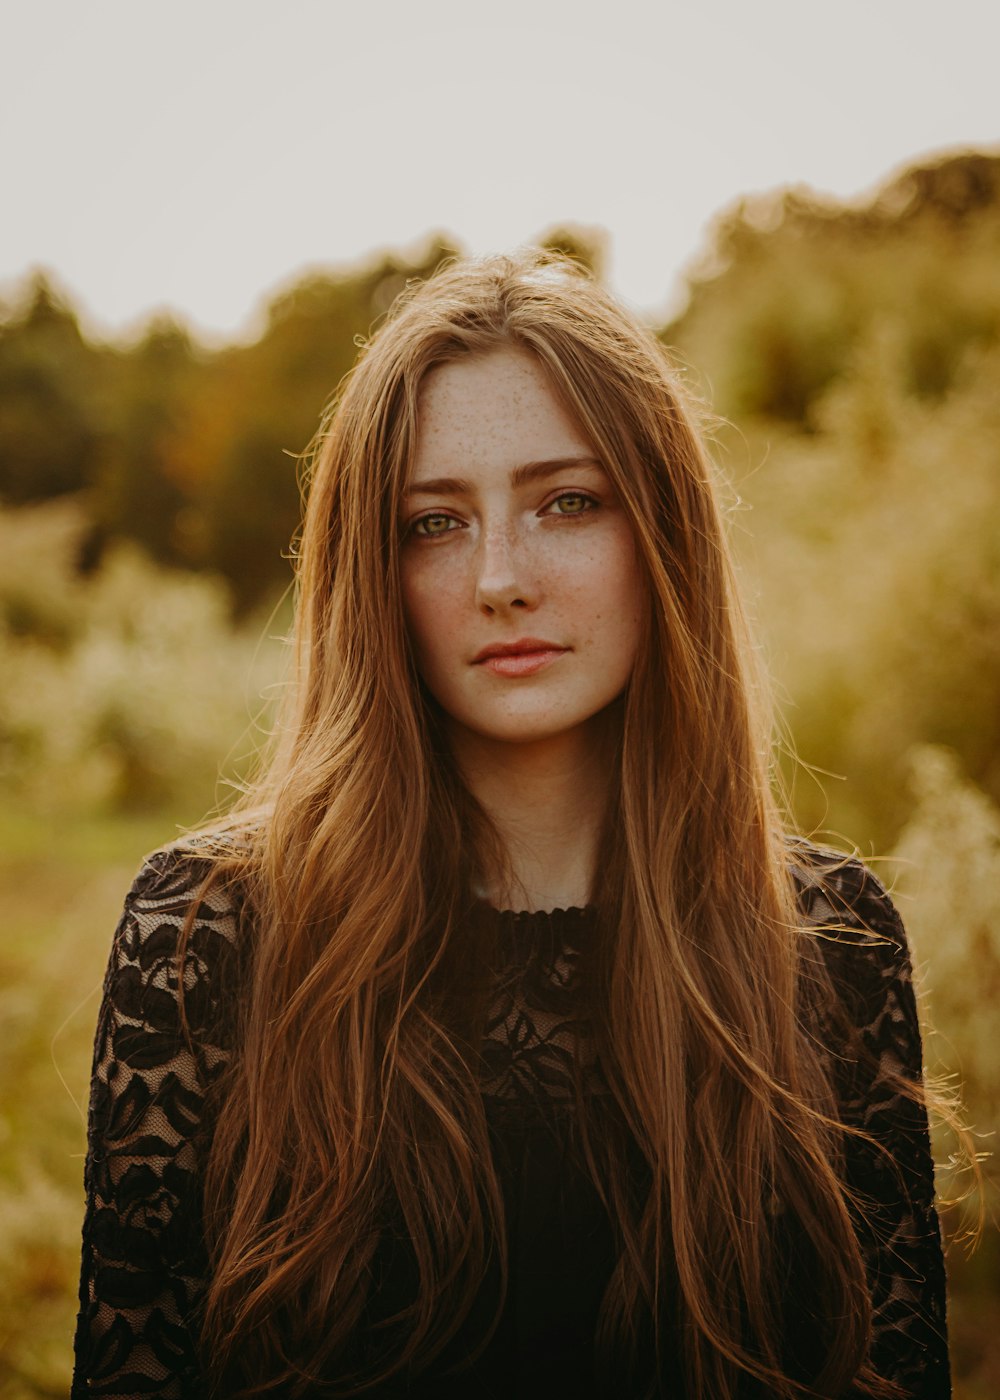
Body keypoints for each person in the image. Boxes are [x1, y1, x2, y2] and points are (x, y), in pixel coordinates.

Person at [72, 251, 950, 1399]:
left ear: (664, 533)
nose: (500, 577)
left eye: (567, 502)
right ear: (369, 571)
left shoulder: (830, 941)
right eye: (432, 523)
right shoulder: (203, 935)